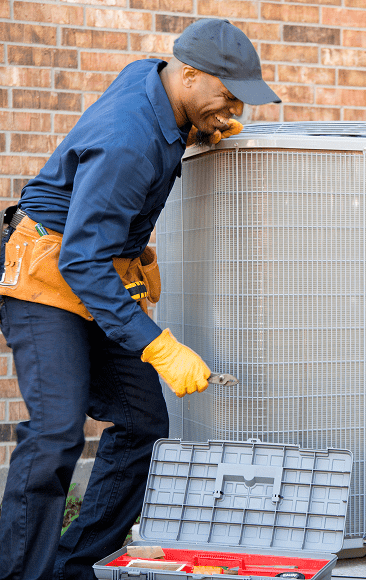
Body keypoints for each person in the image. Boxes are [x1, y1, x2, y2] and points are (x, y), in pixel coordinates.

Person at [0, 19, 280, 580]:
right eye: (225, 96)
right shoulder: (130, 138)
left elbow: (154, 103)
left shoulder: (155, 83)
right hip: (48, 279)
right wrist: (157, 345)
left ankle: (72, 566)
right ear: (192, 74)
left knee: (141, 422)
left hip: (96, 274)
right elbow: (80, 259)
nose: (229, 108)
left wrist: (200, 127)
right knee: (56, 431)